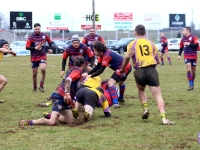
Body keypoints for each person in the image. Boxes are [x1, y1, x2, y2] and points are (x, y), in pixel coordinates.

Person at [120, 24, 175, 125]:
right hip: (151, 70)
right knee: (158, 95)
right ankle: (164, 118)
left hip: (139, 71)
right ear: (145, 33)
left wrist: (123, 68)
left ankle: (145, 109)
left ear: (135, 33)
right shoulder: (152, 44)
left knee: (141, 90)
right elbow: (158, 60)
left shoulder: (132, 44)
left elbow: (127, 57)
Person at [19, 57, 86, 126]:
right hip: (61, 96)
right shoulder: (77, 71)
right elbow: (68, 80)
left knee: (70, 121)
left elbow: (65, 83)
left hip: (64, 97)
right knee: (51, 122)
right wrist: (67, 94)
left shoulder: (72, 70)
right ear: (83, 64)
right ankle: (28, 122)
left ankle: (50, 115)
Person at [83, 41, 132, 108]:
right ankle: (121, 98)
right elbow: (97, 67)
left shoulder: (106, 56)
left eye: (94, 50)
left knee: (110, 83)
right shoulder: (102, 54)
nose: (94, 51)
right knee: (121, 82)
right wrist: (88, 73)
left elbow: (101, 70)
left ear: (99, 50)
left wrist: (91, 75)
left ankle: (115, 103)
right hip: (127, 67)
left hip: (124, 68)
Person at [26, 23, 53, 92]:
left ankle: (41, 86)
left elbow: (50, 42)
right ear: (34, 29)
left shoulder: (44, 35)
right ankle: (35, 87)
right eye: (36, 29)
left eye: (38, 29)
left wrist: (50, 48)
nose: (37, 30)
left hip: (42, 56)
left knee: (43, 69)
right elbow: (27, 47)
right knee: (34, 74)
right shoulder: (31, 37)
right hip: (34, 57)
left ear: (40, 28)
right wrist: (35, 48)